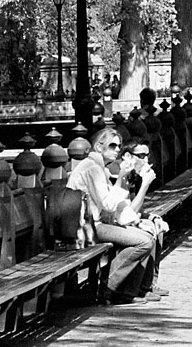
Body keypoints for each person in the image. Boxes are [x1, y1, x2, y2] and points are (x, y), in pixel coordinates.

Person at [66, 127, 160, 305]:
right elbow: (108, 204)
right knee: (144, 241)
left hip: (96, 223)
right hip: (87, 227)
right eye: (112, 145)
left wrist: (136, 221)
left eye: (119, 145)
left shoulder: (99, 167)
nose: (117, 149)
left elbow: (115, 205)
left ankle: (127, 290)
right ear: (99, 146)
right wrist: (121, 178)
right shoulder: (92, 168)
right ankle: (108, 287)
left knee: (147, 235)